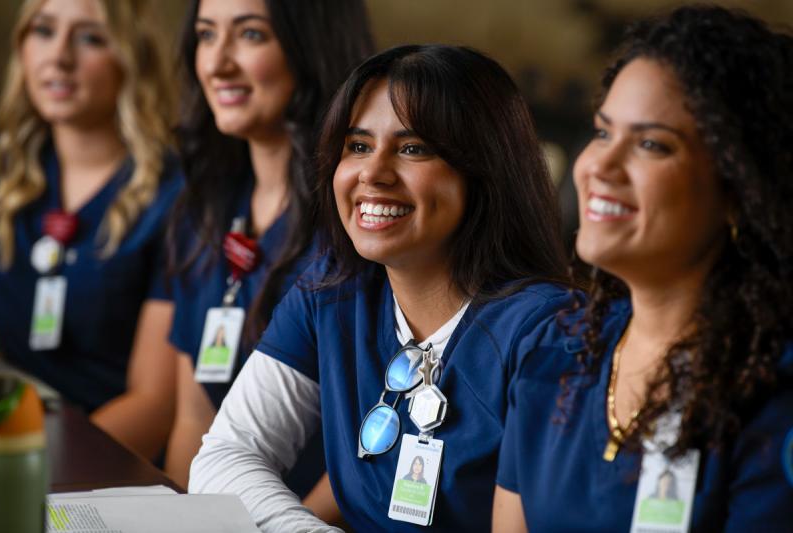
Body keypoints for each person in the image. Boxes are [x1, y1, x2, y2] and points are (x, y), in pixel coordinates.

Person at [189, 44, 574, 532]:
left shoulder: (546, 331)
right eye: (358, 146)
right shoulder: (331, 291)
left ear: (485, 170)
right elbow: (227, 453)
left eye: (413, 149)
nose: (372, 173)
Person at [493, 6, 793, 532]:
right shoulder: (551, 357)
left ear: (740, 191)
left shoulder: (772, 397)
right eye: (604, 133)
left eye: (651, 144)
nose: (599, 166)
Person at [164, 0, 374, 497]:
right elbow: (193, 414)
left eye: (251, 35)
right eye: (206, 35)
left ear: (310, 49)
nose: (217, 63)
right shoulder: (204, 207)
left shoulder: (362, 222)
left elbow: (372, 453)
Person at [0, 0, 182, 461]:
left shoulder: (177, 197)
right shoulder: (5, 172)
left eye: (90, 38)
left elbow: (154, 405)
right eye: (43, 30)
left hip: (102, 464)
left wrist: (30, 465)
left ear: (130, 59)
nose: (59, 56)